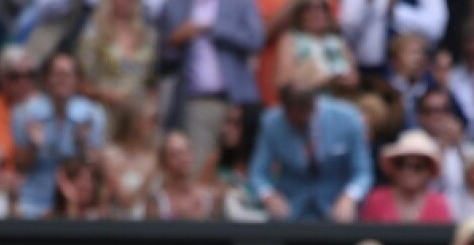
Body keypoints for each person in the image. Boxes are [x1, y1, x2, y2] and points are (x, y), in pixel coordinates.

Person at [157, 0, 264, 171]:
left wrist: (212, 28)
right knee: (199, 166)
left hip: (237, 101)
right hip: (197, 102)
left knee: (240, 166)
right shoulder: (175, 5)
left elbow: (256, 39)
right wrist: (175, 41)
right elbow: (164, 62)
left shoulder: (240, 3)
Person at [249, 83, 372, 222]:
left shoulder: (348, 118)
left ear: (314, 104)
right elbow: (257, 174)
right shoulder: (272, 123)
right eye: (294, 116)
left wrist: (350, 197)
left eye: (304, 113)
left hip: (336, 212)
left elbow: (363, 172)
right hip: (289, 213)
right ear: (285, 110)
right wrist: (269, 196)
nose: (300, 119)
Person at [12, 52, 107, 219]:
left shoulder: (92, 114)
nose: (62, 80)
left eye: (67, 75)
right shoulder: (25, 112)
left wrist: (82, 145)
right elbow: (20, 166)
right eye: (56, 74)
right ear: (46, 79)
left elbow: (96, 169)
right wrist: (34, 146)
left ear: (78, 80)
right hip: (35, 198)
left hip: (77, 199)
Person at [76, 0, 158, 112]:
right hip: (102, 108)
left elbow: (151, 81)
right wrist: (102, 94)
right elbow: (81, 80)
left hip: (138, 111)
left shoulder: (146, 35)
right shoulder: (95, 33)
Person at [360, 129, 453, 224]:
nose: (408, 171)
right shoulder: (377, 200)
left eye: (418, 166)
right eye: (401, 164)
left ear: (428, 170)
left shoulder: (439, 205)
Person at [145, 132, 220, 220]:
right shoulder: (157, 204)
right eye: (175, 155)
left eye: (187, 151)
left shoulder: (210, 199)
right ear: (164, 163)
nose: (184, 158)